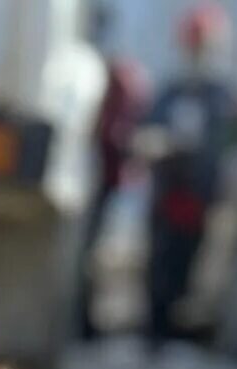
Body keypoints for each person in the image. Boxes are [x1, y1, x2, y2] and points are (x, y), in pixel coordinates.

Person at [136, 3, 237, 352]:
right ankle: (153, 334)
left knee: (191, 262)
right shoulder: (170, 91)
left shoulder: (223, 97)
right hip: (167, 193)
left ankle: (179, 336)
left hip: (200, 197)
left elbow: (233, 142)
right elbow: (147, 130)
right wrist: (154, 143)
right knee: (159, 262)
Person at [78, 3, 150, 340]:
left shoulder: (119, 79)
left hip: (107, 181)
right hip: (99, 178)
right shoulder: (107, 76)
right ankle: (85, 320)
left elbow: (120, 134)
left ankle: (89, 321)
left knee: (98, 252)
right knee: (92, 252)